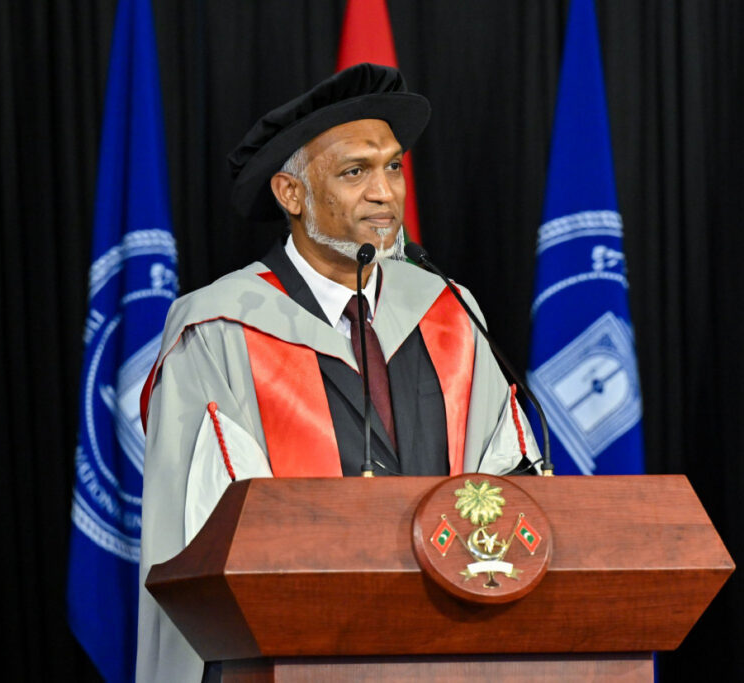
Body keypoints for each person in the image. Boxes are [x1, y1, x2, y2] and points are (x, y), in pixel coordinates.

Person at [136, 63, 538, 681]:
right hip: (295, 657)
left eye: (393, 167)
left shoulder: (451, 314)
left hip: (449, 655)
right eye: (355, 172)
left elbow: (509, 488)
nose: (386, 193)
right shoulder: (219, 331)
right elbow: (206, 539)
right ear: (291, 195)